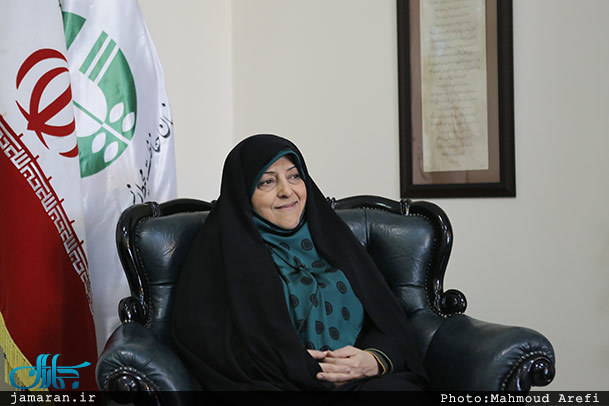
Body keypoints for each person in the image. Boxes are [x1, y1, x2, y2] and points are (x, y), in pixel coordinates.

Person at [172, 134, 428, 391]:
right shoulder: (220, 252)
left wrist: (374, 360)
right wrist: (297, 365)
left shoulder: (333, 239)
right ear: (243, 193)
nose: (287, 191)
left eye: (294, 176)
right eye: (267, 181)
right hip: (277, 385)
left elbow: (387, 320)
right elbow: (210, 347)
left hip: (361, 380)